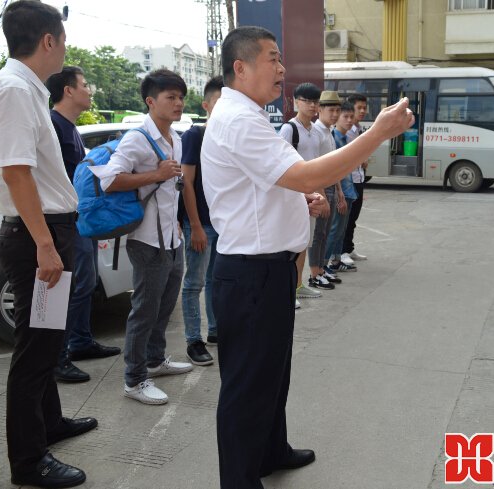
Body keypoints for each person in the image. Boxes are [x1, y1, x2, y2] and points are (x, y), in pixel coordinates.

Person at [201, 25, 413, 489]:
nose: (282, 68)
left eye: (281, 58)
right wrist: (378, 133)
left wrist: (299, 199)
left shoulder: (251, 116)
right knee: (247, 385)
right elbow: (303, 174)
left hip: (269, 269)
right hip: (251, 273)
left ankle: (270, 449)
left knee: (272, 372)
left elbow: (272, 182)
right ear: (240, 67)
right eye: (272, 58)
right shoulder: (237, 119)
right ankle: (239, 480)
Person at [0, 2, 96, 487]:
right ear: (48, 41)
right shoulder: (12, 89)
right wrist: (45, 245)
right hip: (37, 236)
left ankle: (50, 423)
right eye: (63, 40)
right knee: (34, 351)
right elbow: (16, 172)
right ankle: (29, 462)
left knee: (48, 339)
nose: (65, 49)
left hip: (48, 231)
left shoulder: (27, 88)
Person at [100, 69, 193, 405]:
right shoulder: (137, 138)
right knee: (144, 310)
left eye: (181, 97)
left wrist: (178, 224)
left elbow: (173, 190)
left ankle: (154, 360)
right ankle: (134, 379)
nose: (178, 103)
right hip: (146, 240)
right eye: (171, 97)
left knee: (165, 305)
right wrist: (155, 174)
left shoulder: (176, 138)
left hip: (171, 238)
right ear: (151, 101)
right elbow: (108, 180)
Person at [46, 66, 121, 383]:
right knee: (67, 288)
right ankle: (57, 359)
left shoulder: (70, 128)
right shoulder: (53, 125)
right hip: (63, 222)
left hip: (79, 219)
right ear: (68, 91)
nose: (90, 90)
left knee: (85, 284)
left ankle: (79, 341)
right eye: (85, 84)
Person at [178, 75, 225, 366]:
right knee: (194, 283)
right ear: (206, 105)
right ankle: (193, 340)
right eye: (219, 102)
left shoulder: (227, 137)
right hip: (200, 223)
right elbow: (186, 182)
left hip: (222, 223)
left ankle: (216, 331)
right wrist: (195, 226)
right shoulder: (195, 135)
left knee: (216, 279)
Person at [279, 83, 332, 301]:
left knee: (303, 242)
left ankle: (298, 285)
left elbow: (317, 167)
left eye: (315, 102)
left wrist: (322, 195)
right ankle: (286, 292)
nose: (312, 105)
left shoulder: (316, 132)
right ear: (295, 102)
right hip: (293, 196)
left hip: (311, 197)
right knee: (290, 245)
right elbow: (281, 165)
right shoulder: (289, 129)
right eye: (307, 101)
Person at [311, 90, 345, 287]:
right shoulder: (316, 132)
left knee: (325, 232)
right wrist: (322, 193)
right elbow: (316, 165)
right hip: (321, 188)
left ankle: (322, 269)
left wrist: (339, 190)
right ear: (320, 109)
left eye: (337, 110)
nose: (335, 114)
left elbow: (333, 165)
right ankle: (314, 274)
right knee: (318, 233)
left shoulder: (329, 132)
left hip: (332, 186)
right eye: (331, 110)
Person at [327, 102, 359, 270]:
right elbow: (335, 169)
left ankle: (336, 261)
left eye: (351, 117)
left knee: (341, 230)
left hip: (348, 190)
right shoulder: (334, 137)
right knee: (334, 230)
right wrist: (339, 193)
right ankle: (324, 265)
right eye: (345, 117)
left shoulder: (345, 138)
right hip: (340, 191)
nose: (349, 120)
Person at [341, 93, 369, 263]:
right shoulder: (346, 131)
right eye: (359, 108)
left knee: (354, 218)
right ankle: (342, 252)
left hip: (359, 178)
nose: (363, 111)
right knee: (346, 218)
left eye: (365, 108)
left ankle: (349, 248)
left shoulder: (359, 129)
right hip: (348, 180)